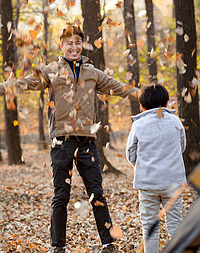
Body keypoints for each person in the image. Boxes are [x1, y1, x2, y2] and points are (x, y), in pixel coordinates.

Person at [1, 25, 138, 253]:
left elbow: (117, 87)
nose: (73, 46)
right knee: (61, 195)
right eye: (69, 43)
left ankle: (108, 243)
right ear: (61, 45)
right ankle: (58, 246)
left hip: (87, 142)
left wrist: (144, 94)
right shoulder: (52, 70)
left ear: (82, 45)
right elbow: (27, 83)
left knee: (97, 193)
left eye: (77, 42)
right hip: (61, 142)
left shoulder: (92, 72)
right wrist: (4, 88)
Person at [126, 84, 186, 253]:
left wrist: (143, 166)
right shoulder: (175, 121)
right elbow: (182, 147)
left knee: (149, 227)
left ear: (142, 105)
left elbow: (131, 153)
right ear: (167, 103)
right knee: (175, 223)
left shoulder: (139, 125)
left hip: (147, 183)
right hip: (173, 182)